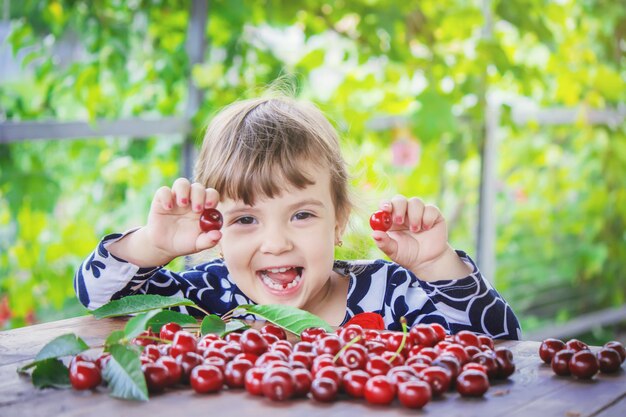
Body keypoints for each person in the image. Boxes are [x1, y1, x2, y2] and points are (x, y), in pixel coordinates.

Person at [74, 96, 521, 339]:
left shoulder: (394, 296)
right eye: (246, 220)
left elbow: (499, 338)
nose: (275, 244)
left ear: (339, 220)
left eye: (302, 214)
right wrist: (153, 244)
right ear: (216, 227)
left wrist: (435, 264)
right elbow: (100, 296)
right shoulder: (209, 296)